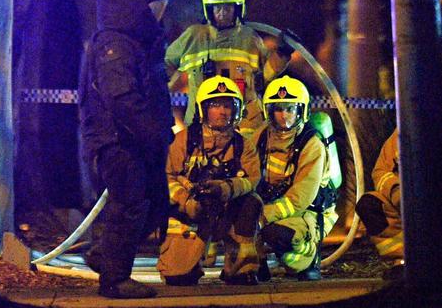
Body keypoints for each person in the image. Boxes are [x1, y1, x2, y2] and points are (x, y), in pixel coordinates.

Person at [78, 0, 174, 298]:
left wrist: (162, 134)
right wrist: (153, 136)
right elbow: (123, 100)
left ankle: (105, 255)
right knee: (130, 201)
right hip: (116, 141)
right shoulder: (115, 46)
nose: (157, 13)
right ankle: (115, 280)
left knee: (156, 203)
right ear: (134, 5)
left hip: (136, 140)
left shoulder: (137, 43)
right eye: (151, 5)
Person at [157, 76, 262, 286]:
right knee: (179, 277)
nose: (222, 111)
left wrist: (226, 188)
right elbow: (165, 177)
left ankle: (240, 266)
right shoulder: (183, 141)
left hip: (226, 209)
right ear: (203, 109)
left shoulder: (243, 145)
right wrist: (187, 201)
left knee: (251, 202)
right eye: (215, 105)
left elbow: (252, 179)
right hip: (191, 212)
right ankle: (189, 261)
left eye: (227, 105)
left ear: (237, 110)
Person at [165, 0, 294, 138]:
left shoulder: (250, 39)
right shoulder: (194, 37)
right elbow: (164, 66)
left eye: (228, 8)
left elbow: (263, 77)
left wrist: (282, 53)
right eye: (217, 8)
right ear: (208, 10)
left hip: (245, 127)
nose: (222, 13)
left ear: (238, 9)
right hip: (202, 128)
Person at [252, 76, 339, 281]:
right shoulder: (260, 137)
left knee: (278, 237)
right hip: (271, 207)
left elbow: (301, 197)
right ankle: (255, 262)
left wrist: (262, 217)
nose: (284, 116)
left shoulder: (311, 144)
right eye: (279, 109)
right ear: (269, 111)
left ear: (302, 111)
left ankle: (309, 255)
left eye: (291, 109)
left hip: (306, 212)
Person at [356, 128, 404, 280]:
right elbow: (380, 171)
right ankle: (402, 260)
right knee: (369, 205)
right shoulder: (405, 131)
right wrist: (396, 191)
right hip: (404, 203)